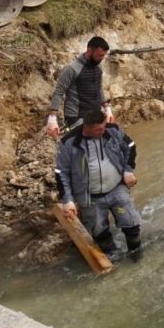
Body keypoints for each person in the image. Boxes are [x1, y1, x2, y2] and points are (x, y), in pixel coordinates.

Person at [56, 109, 142, 260]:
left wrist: (128, 170)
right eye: (99, 129)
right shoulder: (69, 142)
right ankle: (113, 259)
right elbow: (60, 172)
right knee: (99, 232)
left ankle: (136, 256)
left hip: (117, 188)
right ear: (87, 128)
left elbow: (130, 146)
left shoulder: (111, 130)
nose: (103, 131)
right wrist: (67, 200)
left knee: (132, 225)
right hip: (90, 197)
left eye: (103, 127)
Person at [46, 36, 114, 139]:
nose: (101, 58)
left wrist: (106, 108)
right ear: (89, 50)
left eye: (103, 56)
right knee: (78, 149)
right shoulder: (72, 68)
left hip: (95, 115)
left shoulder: (98, 67)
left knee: (94, 147)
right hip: (76, 117)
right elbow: (59, 92)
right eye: (99, 55)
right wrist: (52, 118)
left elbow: (99, 88)